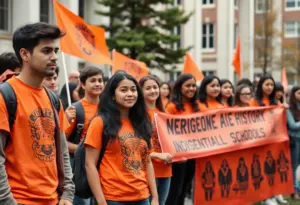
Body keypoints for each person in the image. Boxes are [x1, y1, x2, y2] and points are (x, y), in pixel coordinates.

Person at [0, 22, 74, 205]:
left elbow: (62, 150)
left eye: (55, 51)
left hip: (54, 200)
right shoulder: (5, 95)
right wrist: (8, 201)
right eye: (46, 51)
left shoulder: (53, 99)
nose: (54, 57)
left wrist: (67, 194)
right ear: (25, 54)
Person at [85, 72, 159, 205]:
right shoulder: (100, 122)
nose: (130, 94)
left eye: (133, 89)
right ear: (113, 95)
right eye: (123, 90)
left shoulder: (143, 122)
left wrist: (155, 197)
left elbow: (147, 162)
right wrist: (101, 201)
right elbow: (89, 164)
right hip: (113, 198)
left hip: (143, 197)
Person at [65, 66, 104, 204]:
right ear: (82, 84)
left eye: (100, 80)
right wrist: (86, 150)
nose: (98, 84)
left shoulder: (109, 109)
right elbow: (62, 143)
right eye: (93, 80)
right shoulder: (76, 110)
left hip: (105, 171)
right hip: (82, 171)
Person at [249, 74, 287, 205]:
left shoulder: (275, 102)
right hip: (258, 141)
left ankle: (270, 195)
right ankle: (263, 197)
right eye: (267, 85)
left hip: (272, 141)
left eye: (271, 85)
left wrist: (282, 109)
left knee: (271, 169)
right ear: (261, 86)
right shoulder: (253, 101)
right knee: (260, 169)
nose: (270, 87)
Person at [165, 74, 199, 205]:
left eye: (193, 86)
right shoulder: (171, 107)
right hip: (178, 157)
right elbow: (166, 131)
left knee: (184, 190)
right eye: (188, 86)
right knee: (175, 191)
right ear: (180, 87)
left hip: (192, 155)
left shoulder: (195, 106)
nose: (191, 88)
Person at [139, 76, 172, 205]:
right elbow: (137, 147)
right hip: (146, 169)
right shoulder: (138, 115)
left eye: (155, 87)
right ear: (140, 91)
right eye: (148, 88)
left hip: (166, 169)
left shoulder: (165, 113)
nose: (153, 91)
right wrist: (158, 155)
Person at [286, 86, 300, 199]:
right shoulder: (289, 109)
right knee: (294, 167)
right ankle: (294, 190)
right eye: (299, 93)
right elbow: (293, 126)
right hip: (295, 140)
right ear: (293, 94)